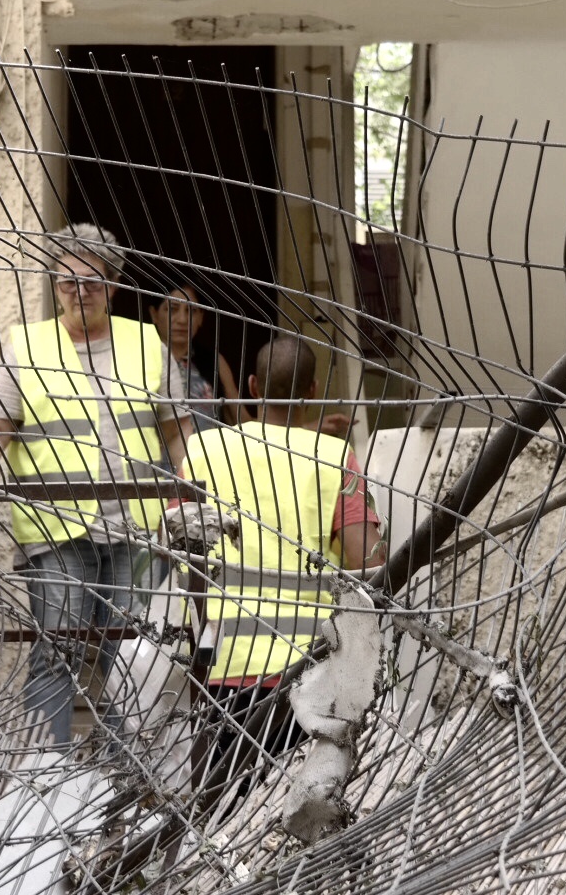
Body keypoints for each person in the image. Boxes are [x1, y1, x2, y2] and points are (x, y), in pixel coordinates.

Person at [0, 223, 191, 746]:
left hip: (135, 527)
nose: (79, 293)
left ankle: (123, 770)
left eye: (91, 283)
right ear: (54, 284)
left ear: (112, 285)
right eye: (68, 284)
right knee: (57, 648)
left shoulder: (144, 342)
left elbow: (175, 427)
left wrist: (189, 487)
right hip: (56, 529)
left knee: (132, 651)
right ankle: (48, 767)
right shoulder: (26, 345)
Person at [177, 336, 384, 795]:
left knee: (226, 805)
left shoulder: (203, 450)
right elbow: (367, 559)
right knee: (302, 804)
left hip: (226, 660)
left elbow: (176, 543)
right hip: (310, 669)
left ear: (251, 386)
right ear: (311, 390)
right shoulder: (332, 458)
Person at [148, 281, 242, 433]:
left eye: (191, 311)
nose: (182, 320)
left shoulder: (214, 362)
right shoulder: (141, 359)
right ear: (154, 314)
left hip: (209, 455)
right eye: (173, 309)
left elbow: (239, 419)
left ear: (201, 317)